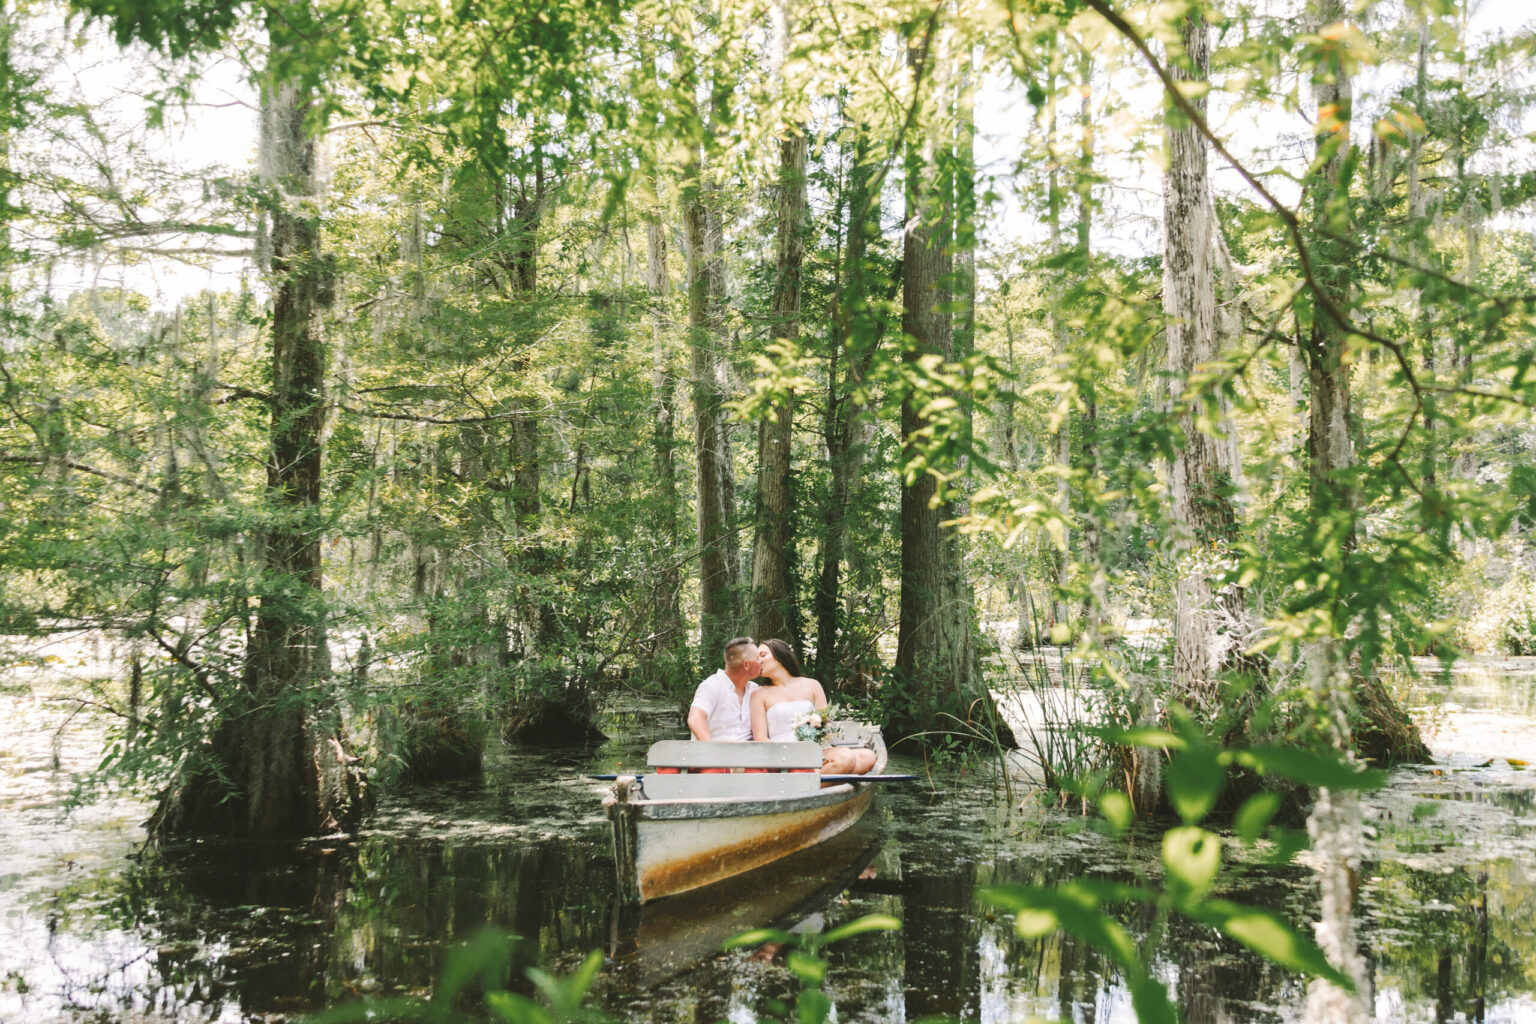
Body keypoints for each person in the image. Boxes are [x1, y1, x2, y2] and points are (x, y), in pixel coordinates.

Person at [749, 638, 876, 775]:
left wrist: (819, 730)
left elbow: (826, 725)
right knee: (846, 758)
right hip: (783, 754)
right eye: (756, 658)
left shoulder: (812, 685)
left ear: (780, 655)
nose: (758, 661)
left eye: (763, 655)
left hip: (814, 749)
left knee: (868, 757)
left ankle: (804, 779)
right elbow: (761, 737)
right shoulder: (758, 694)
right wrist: (783, 755)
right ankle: (817, 776)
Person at [686, 637, 760, 742]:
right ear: (746, 665)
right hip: (714, 755)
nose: (761, 662)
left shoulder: (755, 690)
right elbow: (695, 718)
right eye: (758, 658)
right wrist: (710, 749)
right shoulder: (712, 685)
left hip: (748, 756)